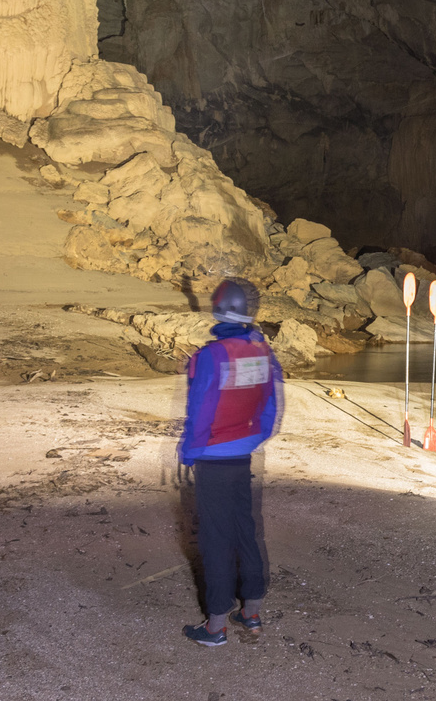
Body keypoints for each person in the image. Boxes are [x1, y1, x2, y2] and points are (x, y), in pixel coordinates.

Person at [179, 277, 284, 646]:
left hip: (213, 459)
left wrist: (189, 453)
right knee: (245, 530)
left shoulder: (209, 356)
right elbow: (272, 406)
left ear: (219, 308)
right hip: (243, 455)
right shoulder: (263, 351)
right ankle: (251, 612)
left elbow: (201, 412)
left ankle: (215, 627)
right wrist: (254, 438)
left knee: (216, 539)